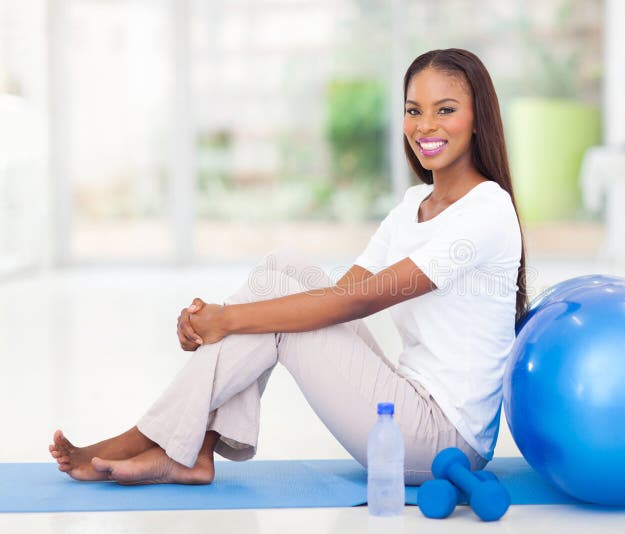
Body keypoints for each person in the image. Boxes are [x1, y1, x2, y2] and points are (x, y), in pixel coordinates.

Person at [48, 48, 529, 486]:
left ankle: (150, 437)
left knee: (282, 315)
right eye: (413, 110)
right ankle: (194, 451)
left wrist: (226, 320)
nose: (426, 125)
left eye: (445, 110)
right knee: (284, 268)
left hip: (442, 441)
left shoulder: (486, 210)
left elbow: (358, 301)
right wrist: (220, 321)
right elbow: (342, 292)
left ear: (477, 119)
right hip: (402, 404)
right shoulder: (413, 205)